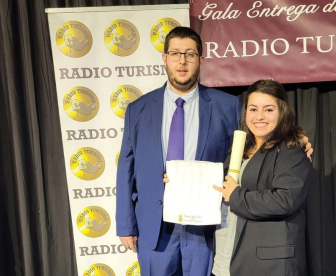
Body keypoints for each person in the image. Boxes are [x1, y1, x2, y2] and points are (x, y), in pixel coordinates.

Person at [116, 27, 312, 276]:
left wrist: (297, 138)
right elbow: (126, 168)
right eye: (175, 53)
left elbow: (257, 139)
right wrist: (125, 224)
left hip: (206, 229)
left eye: (190, 54)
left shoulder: (228, 106)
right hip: (155, 228)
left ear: (201, 60)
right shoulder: (138, 109)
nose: (182, 61)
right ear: (165, 58)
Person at [212, 79, 312, 276]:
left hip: (266, 264)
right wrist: (181, 182)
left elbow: (286, 200)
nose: (259, 116)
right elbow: (221, 188)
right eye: (253, 109)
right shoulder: (240, 149)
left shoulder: (290, 150)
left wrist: (237, 196)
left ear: (282, 111)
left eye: (268, 109)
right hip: (227, 254)